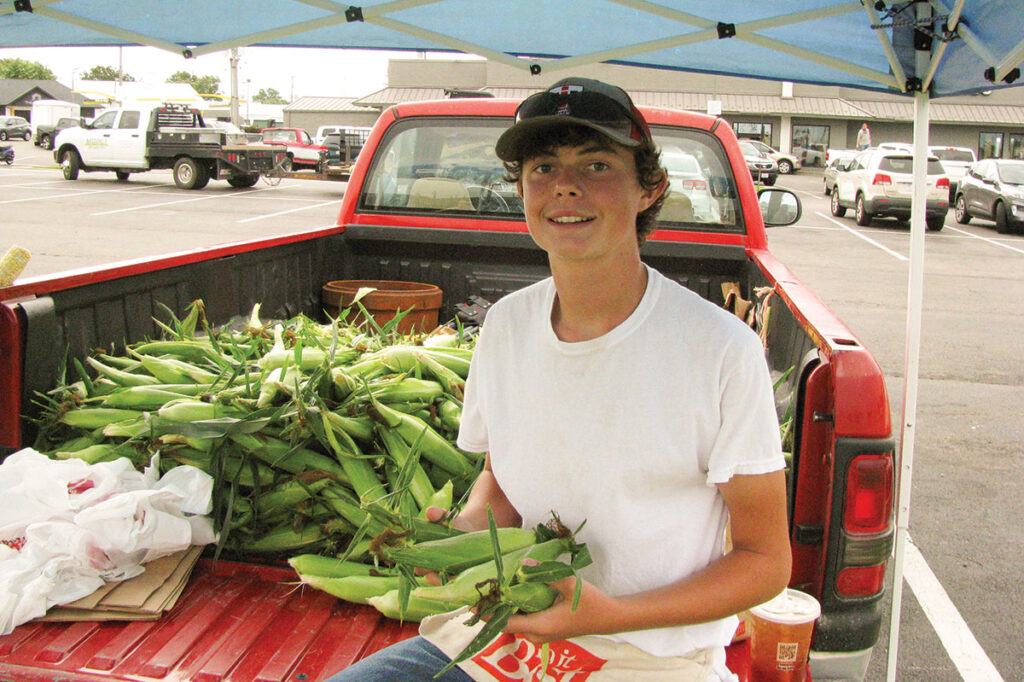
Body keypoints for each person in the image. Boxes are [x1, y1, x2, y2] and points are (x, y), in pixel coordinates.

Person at [326, 77, 791, 682]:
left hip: (647, 654)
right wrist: (461, 540)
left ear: (650, 187)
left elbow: (764, 561)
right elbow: (502, 485)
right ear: (518, 190)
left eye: (597, 164)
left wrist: (610, 614)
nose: (565, 186)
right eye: (543, 167)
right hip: (504, 634)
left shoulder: (719, 348)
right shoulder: (507, 325)